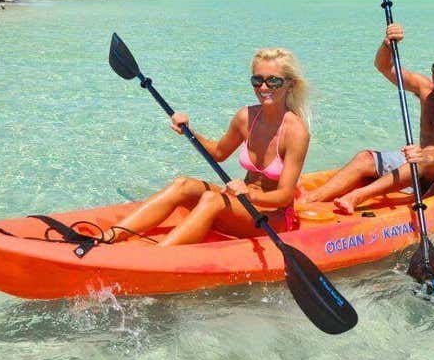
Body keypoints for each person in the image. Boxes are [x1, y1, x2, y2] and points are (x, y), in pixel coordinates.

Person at [111, 48, 311, 246]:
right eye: (257, 80)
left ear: (290, 84)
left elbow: (285, 197)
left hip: (273, 219)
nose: (264, 87)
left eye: (273, 81)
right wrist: (188, 131)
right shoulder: (246, 116)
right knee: (183, 185)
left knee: (212, 199)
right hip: (241, 204)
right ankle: (108, 236)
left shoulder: (296, 132)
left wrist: (250, 195)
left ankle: (156, 258)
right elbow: (218, 153)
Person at [301, 23, 434, 213]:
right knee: (365, 157)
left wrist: (427, 155)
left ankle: (357, 196)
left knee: (424, 157)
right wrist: (387, 45)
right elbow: (385, 67)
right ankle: (313, 198)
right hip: (420, 162)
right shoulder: (425, 90)